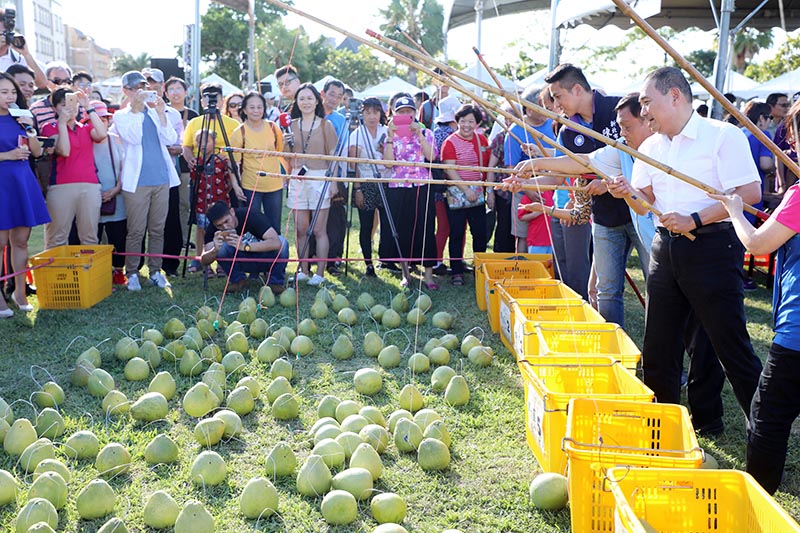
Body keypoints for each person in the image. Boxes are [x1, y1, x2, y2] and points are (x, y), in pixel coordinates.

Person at [615, 66, 763, 432]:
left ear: (676, 96)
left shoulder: (722, 135)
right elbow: (644, 201)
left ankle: (760, 425)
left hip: (713, 245)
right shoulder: (649, 146)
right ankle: (662, 426)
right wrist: (627, 193)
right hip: (666, 248)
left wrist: (695, 219)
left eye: (648, 101)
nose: (643, 110)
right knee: (659, 344)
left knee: (726, 342)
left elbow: (748, 195)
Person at [710, 185, 799, 495]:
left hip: (796, 337)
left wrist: (735, 209)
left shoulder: (799, 194)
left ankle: (759, 504)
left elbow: (758, 244)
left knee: (767, 416)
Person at [112, 70, 180, 291]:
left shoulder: (153, 113)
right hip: (138, 182)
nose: (141, 91)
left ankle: (155, 271)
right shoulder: (121, 115)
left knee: (158, 229)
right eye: (136, 88)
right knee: (136, 230)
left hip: (161, 179)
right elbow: (133, 138)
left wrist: (160, 112)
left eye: (143, 86)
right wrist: (136, 108)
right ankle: (131, 272)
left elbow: (170, 139)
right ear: (126, 91)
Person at [0, 72, 47, 316]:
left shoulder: (22, 117)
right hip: (1, 182)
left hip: (22, 181)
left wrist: (29, 128)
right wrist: (7, 156)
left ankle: (20, 291)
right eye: (3, 92)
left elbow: (37, 152)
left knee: (20, 241)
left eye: (12, 92)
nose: (9, 97)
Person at [382, 95, 438, 289]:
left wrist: (420, 135)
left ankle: (429, 274)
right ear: (394, 114)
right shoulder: (390, 135)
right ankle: (406, 273)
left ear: (415, 113)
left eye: (409, 111)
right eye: (401, 112)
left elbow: (431, 157)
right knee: (401, 229)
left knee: (426, 227)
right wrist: (390, 136)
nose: (406, 115)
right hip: (398, 186)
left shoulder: (427, 133)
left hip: (422, 185)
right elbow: (389, 163)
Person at [41, 88, 107, 249]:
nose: (69, 107)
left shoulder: (85, 127)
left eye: (72, 103)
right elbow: (64, 150)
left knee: (90, 236)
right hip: (61, 186)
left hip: (90, 185)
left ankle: (88, 274)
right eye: (63, 104)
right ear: (55, 108)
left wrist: (88, 106)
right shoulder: (49, 127)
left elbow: (102, 134)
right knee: (56, 237)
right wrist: (62, 123)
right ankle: (55, 273)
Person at [286, 82, 337, 286]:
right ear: (297, 102)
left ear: (317, 100)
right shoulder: (291, 125)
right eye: (302, 99)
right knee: (300, 229)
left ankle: (320, 273)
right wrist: (285, 142)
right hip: (298, 177)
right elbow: (287, 158)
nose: (306, 102)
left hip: (319, 177)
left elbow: (334, 157)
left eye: (309, 98)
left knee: (318, 229)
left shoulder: (326, 125)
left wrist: (332, 182)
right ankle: (303, 270)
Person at [440, 104, 490, 286]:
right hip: (458, 194)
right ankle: (456, 272)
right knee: (457, 233)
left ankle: (480, 268)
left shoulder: (481, 140)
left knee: (479, 233)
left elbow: (486, 166)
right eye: (463, 121)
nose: (466, 125)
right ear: (457, 121)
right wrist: (466, 189)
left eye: (471, 121)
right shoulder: (450, 142)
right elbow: (449, 169)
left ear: (477, 123)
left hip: (477, 194)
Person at [504, 86, 557, 255]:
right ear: (528, 109)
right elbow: (510, 167)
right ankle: (524, 271)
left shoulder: (554, 124)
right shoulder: (516, 130)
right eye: (541, 106)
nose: (546, 110)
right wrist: (527, 187)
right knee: (523, 234)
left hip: (553, 185)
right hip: (524, 187)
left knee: (552, 232)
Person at [144, 68, 185, 276]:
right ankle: (136, 266)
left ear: (162, 87)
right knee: (139, 222)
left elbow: (179, 143)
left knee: (170, 220)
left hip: (168, 173)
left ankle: (169, 265)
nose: (150, 87)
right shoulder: (130, 111)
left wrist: (177, 148)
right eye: (145, 84)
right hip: (141, 175)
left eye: (154, 83)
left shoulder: (173, 114)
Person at [200, 201, 289, 294]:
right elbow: (204, 261)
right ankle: (237, 280)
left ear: (232, 212)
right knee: (221, 249)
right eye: (219, 225)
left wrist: (245, 247)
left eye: (226, 221)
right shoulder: (213, 228)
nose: (225, 226)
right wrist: (215, 250)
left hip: (264, 257)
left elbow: (276, 242)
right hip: (241, 261)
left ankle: (275, 282)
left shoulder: (250, 215)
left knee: (283, 243)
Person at [188, 129, 244, 274]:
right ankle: (202, 260)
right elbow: (194, 180)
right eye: (199, 141)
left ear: (214, 142)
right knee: (201, 229)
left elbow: (230, 179)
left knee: (223, 230)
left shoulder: (222, 160)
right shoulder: (196, 161)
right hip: (202, 202)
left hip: (220, 201)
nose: (202, 145)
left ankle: (222, 262)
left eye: (206, 141)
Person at [229, 91, 283, 232]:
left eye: (260, 107)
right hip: (251, 186)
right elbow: (233, 163)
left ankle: (274, 253)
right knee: (252, 227)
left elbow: (282, 153)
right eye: (252, 107)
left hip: (275, 185)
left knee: (274, 227)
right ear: (244, 110)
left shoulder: (273, 127)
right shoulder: (239, 132)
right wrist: (236, 186)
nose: (256, 110)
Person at [348, 97, 388, 277]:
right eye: (368, 112)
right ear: (362, 114)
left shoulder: (387, 131)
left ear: (381, 113)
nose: (372, 116)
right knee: (366, 225)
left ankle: (386, 258)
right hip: (365, 183)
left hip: (387, 182)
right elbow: (353, 165)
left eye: (376, 112)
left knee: (388, 224)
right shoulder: (357, 134)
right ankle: (368, 263)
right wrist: (357, 189)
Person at [92, 100, 127, 285]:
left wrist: (116, 189)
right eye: (97, 119)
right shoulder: (85, 140)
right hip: (92, 197)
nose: (102, 122)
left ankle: (118, 271)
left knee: (118, 236)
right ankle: (97, 273)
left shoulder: (116, 139)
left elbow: (124, 167)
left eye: (104, 119)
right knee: (94, 237)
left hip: (117, 195)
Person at [320, 78, 348, 275]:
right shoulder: (311, 113)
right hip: (312, 171)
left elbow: (340, 150)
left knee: (336, 218)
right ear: (323, 93)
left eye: (339, 96)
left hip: (334, 172)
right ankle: (313, 256)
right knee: (314, 216)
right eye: (332, 94)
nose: (334, 99)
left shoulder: (341, 120)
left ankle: (333, 259)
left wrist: (336, 178)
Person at [165, 76, 198, 238]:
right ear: (166, 93)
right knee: (166, 205)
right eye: (171, 89)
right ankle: (167, 237)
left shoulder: (193, 115)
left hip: (185, 167)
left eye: (179, 89)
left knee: (184, 204)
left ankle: (184, 238)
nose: (175, 93)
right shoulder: (160, 112)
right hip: (164, 167)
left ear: (186, 92)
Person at [432, 94, 460, 275]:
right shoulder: (449, 134)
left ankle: (439, 260)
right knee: (446, 226)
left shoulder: (435, 131)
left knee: (445, 225)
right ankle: (437, 261)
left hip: (438, 185)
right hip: (446, 185)